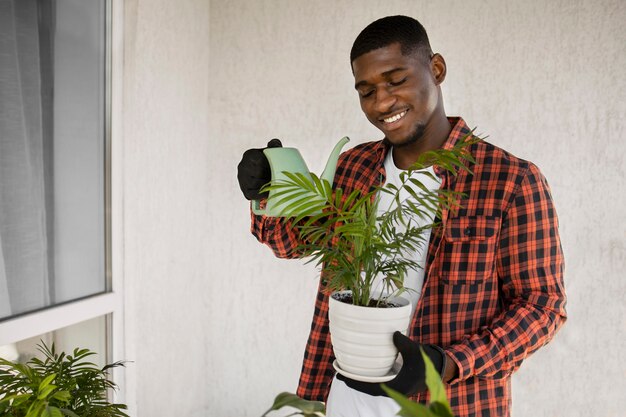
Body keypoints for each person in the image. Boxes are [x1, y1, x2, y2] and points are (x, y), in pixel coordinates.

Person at [237, 15, 566, 417]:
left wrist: (447, 364)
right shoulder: (353, 168)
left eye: (396, 80)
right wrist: (265, 193)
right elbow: (293, 242)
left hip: (452, 403)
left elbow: (542, 307)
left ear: (436, 69)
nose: (381, 103)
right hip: (344, 399)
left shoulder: (510, 180)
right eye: (367, 90)